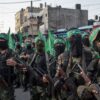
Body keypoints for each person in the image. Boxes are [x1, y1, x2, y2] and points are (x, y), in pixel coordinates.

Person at [0, 34, 16, 100]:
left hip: (6, 83)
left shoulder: (11, 53)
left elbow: (22, 66)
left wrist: (15, 63)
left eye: (2, 40)